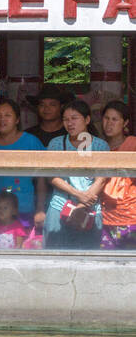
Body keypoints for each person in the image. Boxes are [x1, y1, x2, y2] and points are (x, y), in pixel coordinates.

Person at [44, 99, 109, 249]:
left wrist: (83, 203)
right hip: (59, 208)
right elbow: (52, 176)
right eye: (66, 119)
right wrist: (78, 194)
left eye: (74, 118)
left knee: (88, 261)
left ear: (87, 119)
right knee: (55, 259)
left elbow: (102, 179)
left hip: (90, 210)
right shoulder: (56, 143)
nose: (69, 123)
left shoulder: (100, 145)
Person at [0, 98, 47, 224]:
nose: (2, 120)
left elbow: (41, 179)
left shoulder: (31, 142)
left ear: (17, 119)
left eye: (7, 115)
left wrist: (40, 209)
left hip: (24, 210)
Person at [98, 100, 136, 248]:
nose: (109, 123)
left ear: (125, 122)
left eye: (115, 119)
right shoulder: (99, 146)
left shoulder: (132, 143)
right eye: (106, 118)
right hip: (105, 217)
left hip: (131, 217)